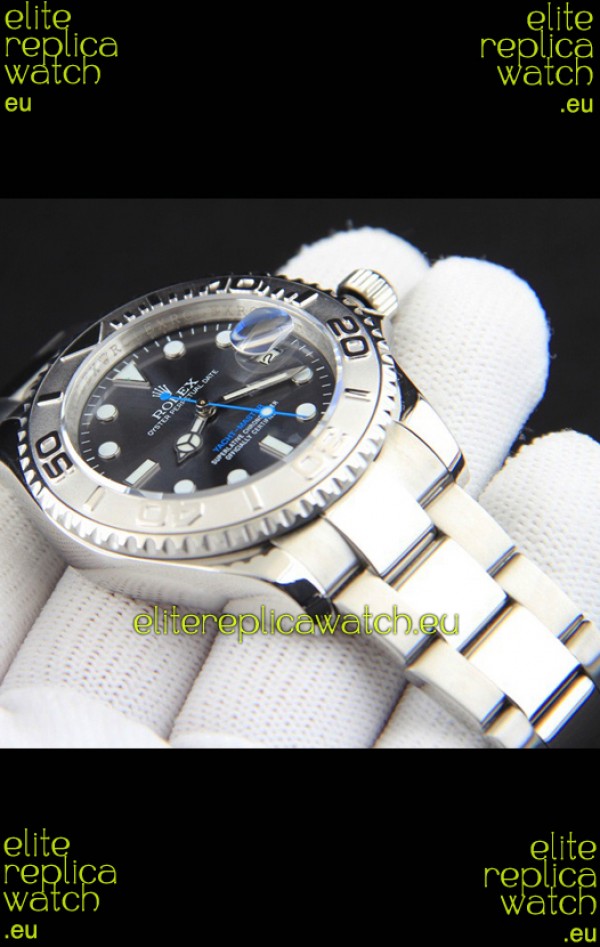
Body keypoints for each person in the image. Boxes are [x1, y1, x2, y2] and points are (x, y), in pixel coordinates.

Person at [0, 227, 597, 748]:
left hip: (376, 449)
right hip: (283, 544)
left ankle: (572, 658)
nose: (201, 411)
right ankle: (539, 696)